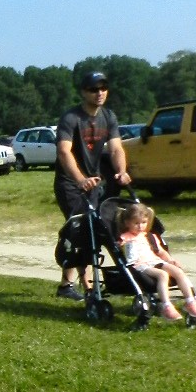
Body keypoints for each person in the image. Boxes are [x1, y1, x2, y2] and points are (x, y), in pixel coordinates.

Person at [54, 70, 132, 299]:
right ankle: (87, 287)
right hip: (70, 183)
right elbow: (64, 152)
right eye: (94, 89)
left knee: (95, 228)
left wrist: (121, 171)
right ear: (83, 92)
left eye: (103, 88)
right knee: (82, 229)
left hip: (94, 182)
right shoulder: (71, 118)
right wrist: (80, 179)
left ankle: (67, 285)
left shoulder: (108, 116)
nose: (100, 93)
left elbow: (116, 149)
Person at [116, 201, 196, 320]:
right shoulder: (125, 237)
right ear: (127, 223)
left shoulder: (149, 236)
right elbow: (121, 248)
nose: (140, 226)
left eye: (143, 223)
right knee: (163, 275)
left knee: (178, 271)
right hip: (140, 265)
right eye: (136, 223)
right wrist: (120, 245)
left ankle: (190, 301)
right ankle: (167, 306)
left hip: (154, 261)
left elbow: (160, 251)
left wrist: (170, 260)